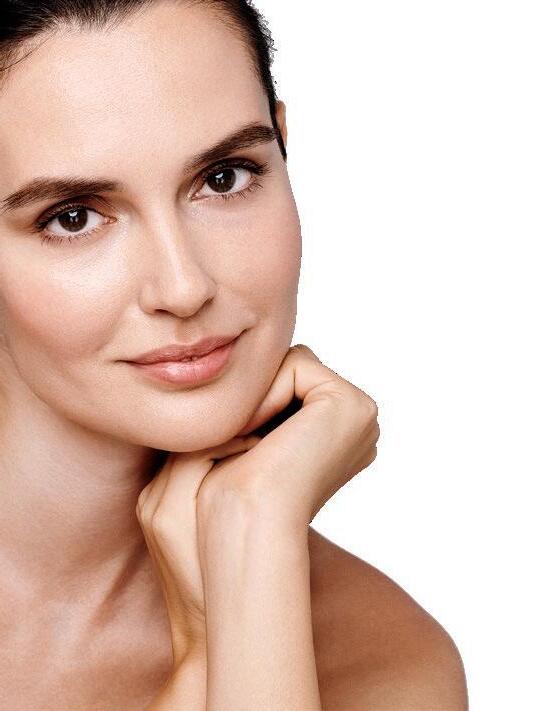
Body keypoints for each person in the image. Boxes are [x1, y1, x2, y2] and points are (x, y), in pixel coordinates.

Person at [0, 1, 469, 708]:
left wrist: (253, 545)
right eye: (73, 217)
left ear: (282, 148)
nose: (183, 287)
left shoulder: (383, 662)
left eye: (224, 177)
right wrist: (203, 660)